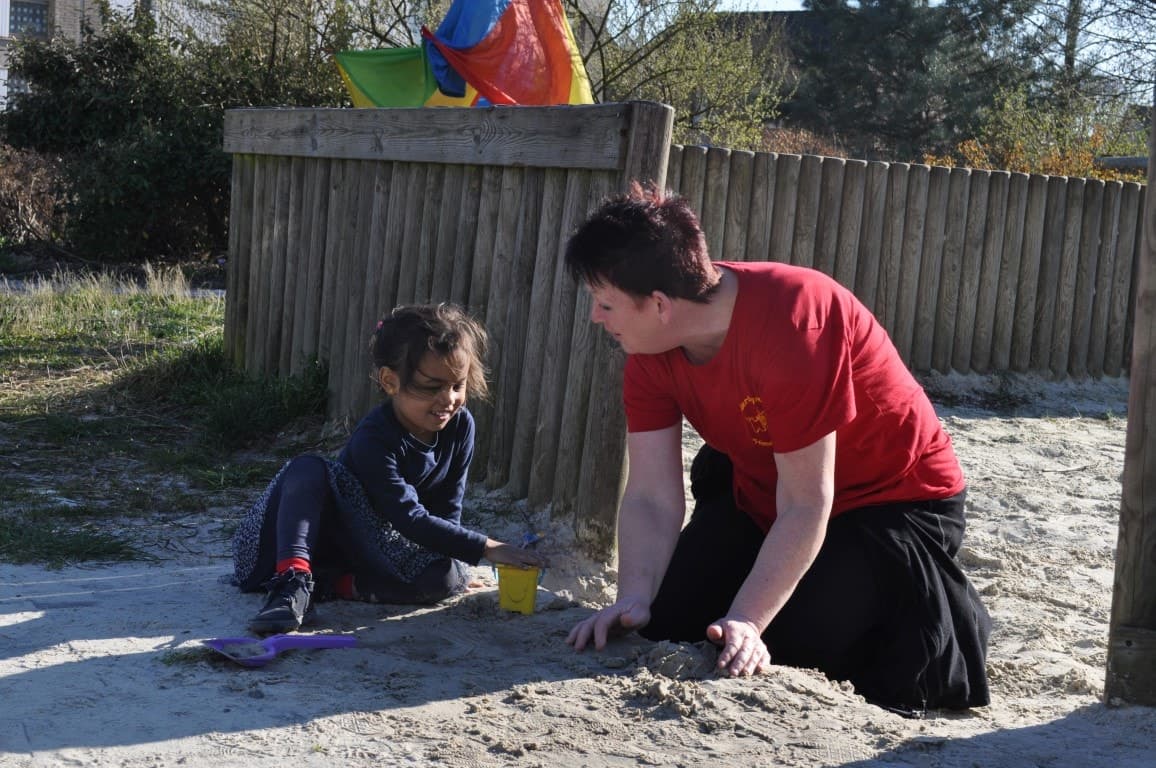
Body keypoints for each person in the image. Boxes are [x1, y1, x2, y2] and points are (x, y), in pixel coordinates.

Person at [563, 182, 991, 715]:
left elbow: (808, 502)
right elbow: (650, 494)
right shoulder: (650, 351)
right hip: (765, 494)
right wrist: (632, 596)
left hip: (891, 503)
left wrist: (749, 619)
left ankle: (943, 601)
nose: (595, 319)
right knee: (668, 621)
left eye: (605, 304)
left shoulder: (796, 318)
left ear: (659, 305)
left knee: (791, 643)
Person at [231, 303, 544, 634]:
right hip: (288, 544)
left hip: (364, 549)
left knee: (444, 578)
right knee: (309, 467)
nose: (447, 399)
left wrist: (456, 565)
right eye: (430, 386)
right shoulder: (374, 438)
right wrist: (488, 548)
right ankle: (291, 585)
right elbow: (408, 516)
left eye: (457, 385)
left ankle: (329, 586)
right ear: (390, 381)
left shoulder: (460, 426)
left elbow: (447, 510)